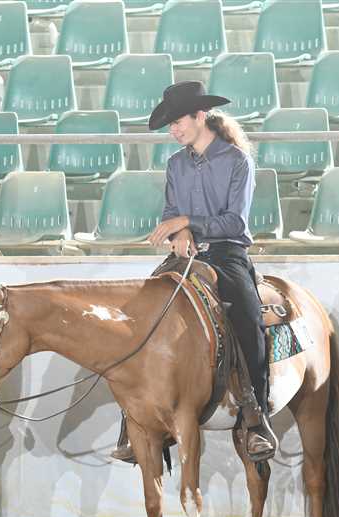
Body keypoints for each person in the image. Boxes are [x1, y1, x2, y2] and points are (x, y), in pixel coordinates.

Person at [110, 80, 278, 464]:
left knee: (247, 317)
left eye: (177, 122)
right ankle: (134, 417)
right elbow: (171, 212)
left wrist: (188, 222)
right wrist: (180, 230)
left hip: (227, 254)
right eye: (170, 124)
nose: (173, 130)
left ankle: (255, 416)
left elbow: (235, 222)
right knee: (140, 311)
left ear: (200, 116)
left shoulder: (237, 161)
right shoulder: (176, 164)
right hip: (185, 255)